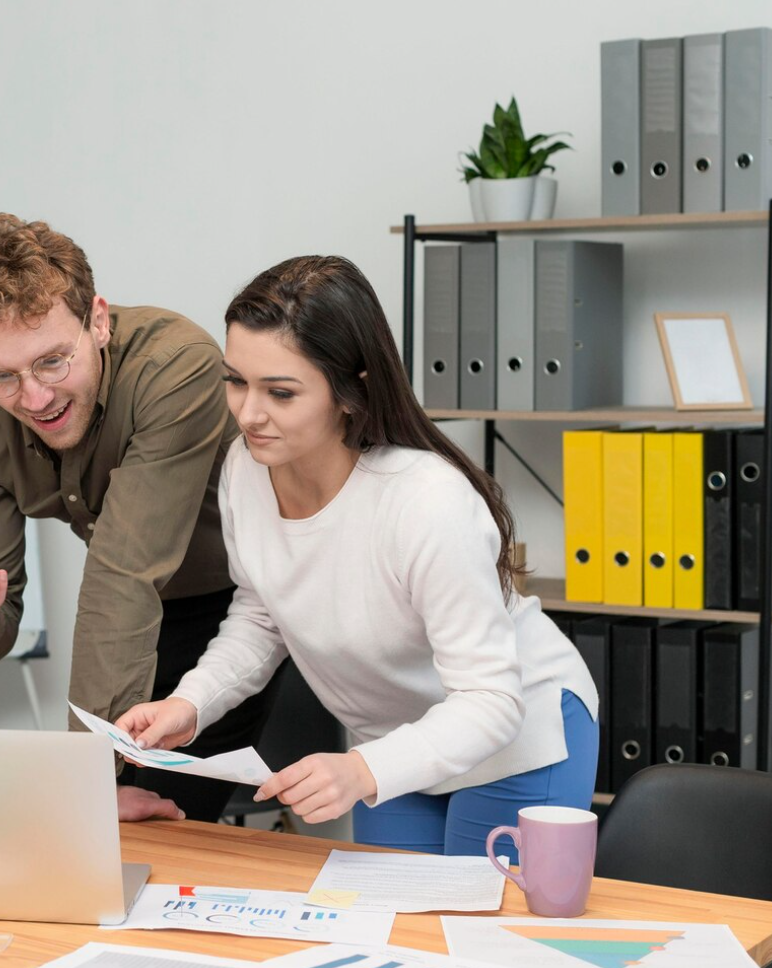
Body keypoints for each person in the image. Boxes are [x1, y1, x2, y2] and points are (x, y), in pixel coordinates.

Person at [117, 255, 598, 862]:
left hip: (517, 737)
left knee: (480, 936)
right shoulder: (246, 466)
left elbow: (491, 700)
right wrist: (191, 703)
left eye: (281, 392)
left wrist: (362, 771)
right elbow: (263, 612)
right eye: (235, 380)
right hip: (393, 747)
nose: (247, 414)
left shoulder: (426, 501)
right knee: (393, 932)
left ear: (352, 390)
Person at [0, 213, 282, 823]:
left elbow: (122, 576)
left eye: (53, 361)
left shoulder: (174, 367)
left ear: (98, 321)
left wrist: (79, 788)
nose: (34, 398)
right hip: (135, 616)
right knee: (103, 832)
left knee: (155, 829)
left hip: (240, 611)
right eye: (2, 374)